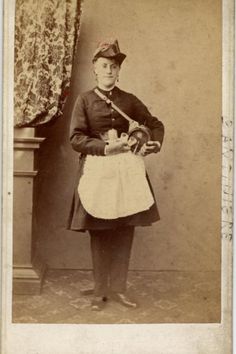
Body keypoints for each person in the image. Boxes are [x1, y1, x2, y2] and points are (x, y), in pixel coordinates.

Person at [67, 39, 164, 311]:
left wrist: (153, 142)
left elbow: (155, 125)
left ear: (119, 71)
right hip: (98, 169)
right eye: (104, 65)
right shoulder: (84, 100)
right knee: (100, 230)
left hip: (127, 172)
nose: (109, 70)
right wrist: (107, 147)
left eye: (114, 66)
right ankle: (100, 292)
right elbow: (76, 139)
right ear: (95, 69)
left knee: (124, 229)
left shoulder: (129, 101)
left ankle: (119, 290)